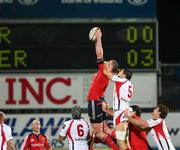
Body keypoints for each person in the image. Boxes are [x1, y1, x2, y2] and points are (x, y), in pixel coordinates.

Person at [87, 28, 120, 150]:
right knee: (100, 130)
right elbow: (100, 54)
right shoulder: (105, 72)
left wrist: (99, 37)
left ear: (110, 69)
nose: (107, 62)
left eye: (110, 63)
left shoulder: (104, 71)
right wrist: (96, 40)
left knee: (97, 132)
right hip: (98, 101)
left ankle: (117, 148)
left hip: (94, 101)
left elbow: (99, 53)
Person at [104, 67, 133, 150]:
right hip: (123, 111)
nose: (119, 72)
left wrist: (103, 64)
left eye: (121, 71)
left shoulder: (121, 80)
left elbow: (107, 74)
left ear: (124, 75)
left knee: (120, 141)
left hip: (121, 112)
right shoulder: (128, 83)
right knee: (125, 141)